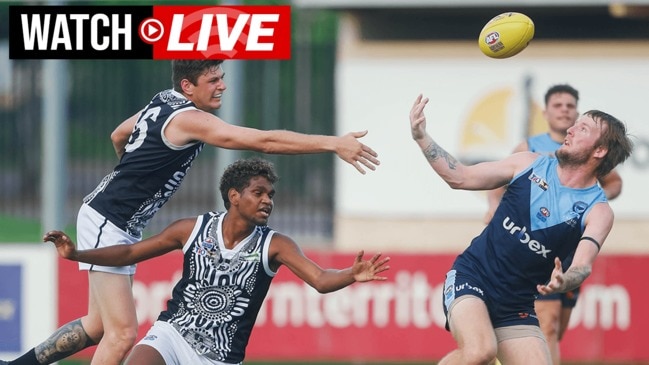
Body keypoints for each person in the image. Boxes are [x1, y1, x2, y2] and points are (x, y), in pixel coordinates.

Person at [2, 60, 380, 365]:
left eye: (222, 78)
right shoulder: (191, 120)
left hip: (109, 217)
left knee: (99, 327)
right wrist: (332, 143)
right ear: (188, 86)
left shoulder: (164, 99)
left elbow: (120, 134)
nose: (222, 86)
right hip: (110, 220)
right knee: (122, 335)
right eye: (213, 79)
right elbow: (264, 140)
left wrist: (135, 177)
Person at [42, 157, 390, 365]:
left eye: (271, 195)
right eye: (259, 193)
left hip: (219, 357)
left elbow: (319, 279)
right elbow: (130, 253)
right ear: (234, 196)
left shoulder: (275, 245)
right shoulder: (192, 229)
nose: (267, 200)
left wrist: (350, 274)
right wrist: (77, 254)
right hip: (171, 335)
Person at [409, 94, 632, 364]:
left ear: (599, 151)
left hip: (516, 305)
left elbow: (582, 266)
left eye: (583, 128)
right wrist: (422, 137)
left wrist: (565, 281)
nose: (571, 128)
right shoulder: (528, 163)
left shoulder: (599, 211)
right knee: (481, 351)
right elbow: (460, 177)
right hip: (472, 277)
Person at [483, 84, 623, 365]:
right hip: (530, 248)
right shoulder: (530, 148)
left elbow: (614, 182)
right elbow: (498, 182)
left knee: (555, 328)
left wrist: (583, 204)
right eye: (558, 106)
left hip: (567, 248)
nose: (564, 111)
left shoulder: (589, 152)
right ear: (545, 112)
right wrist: (493, 210)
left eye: (570, 106)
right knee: (545, 323)